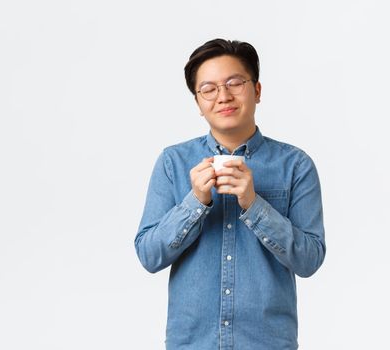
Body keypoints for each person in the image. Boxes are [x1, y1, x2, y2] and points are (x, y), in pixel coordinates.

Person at [135, 38, 326, 350]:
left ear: (257, 90)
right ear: (198, 103)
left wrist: (254, 204)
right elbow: (149, 255)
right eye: (208, 89)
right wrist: (195, 202)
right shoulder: (173, 162)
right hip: (192, 344)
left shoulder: (295, 165)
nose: (223, 96)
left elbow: (309, 260)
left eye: (235, 83)